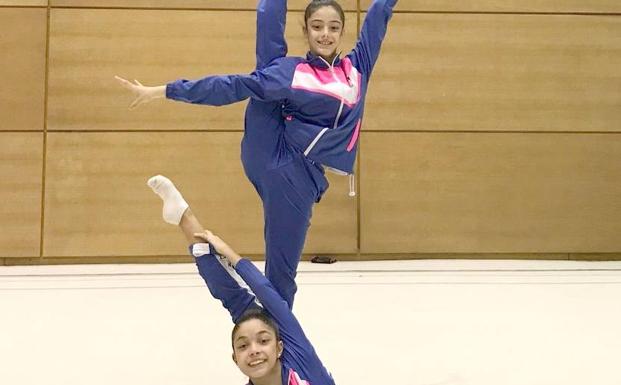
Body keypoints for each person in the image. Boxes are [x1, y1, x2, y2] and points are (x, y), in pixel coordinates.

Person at [117, 0, 399, 309]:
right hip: (272, 151)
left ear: (343, 32)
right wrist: (162, 91)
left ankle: (185, 219)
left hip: (301, 178)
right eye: (317, 27)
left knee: (280, 278)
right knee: (266, 73)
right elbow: (232, 86)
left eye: (333, 28)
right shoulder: (292, 72)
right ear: (304, 31)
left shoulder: (357, 70)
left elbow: (379, 15)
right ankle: (282, 340)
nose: (325, 34)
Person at [148, 174, 336, 385]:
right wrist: (230, 255)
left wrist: (228, 253)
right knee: (278, 287)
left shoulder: (287, 353)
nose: (254, 351)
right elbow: (266, 293)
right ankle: (183, 216)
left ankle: (183, 215)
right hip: (284, 325)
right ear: (235, 359)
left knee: (233, 296)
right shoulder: (301, 360)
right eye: (244, 346)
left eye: (261, 342)